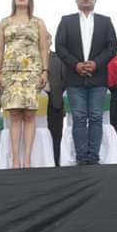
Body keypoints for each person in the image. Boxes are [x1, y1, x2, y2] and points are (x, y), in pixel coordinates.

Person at [55, 0, 117, 165]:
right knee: (79, 116)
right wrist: (75, 64)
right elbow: (60, 45)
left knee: (96, 116)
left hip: (98, 77)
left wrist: (96, 63)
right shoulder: (66, 21)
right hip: (74, 77)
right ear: (76, 0)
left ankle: (94, 156)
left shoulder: (105, 21)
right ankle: (81, 157)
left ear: (95, 0)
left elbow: (112, 46)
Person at [0, 0, 49, 168]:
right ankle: (15, 159)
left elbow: (43, 48)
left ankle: (27, 159)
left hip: (32, 70)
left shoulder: (38, 22)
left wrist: (45, 70)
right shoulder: (4, 22)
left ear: (30, 0)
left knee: (30, 113)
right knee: (14, 113)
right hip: (10, 71)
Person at [45, 32, 65, 166]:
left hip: (55, 100)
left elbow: (65, 80)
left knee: (56, 133)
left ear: (50, 41)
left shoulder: (58, 58)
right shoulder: (30, 58)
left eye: (46, 38)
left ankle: (56, 160)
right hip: (35, 101)